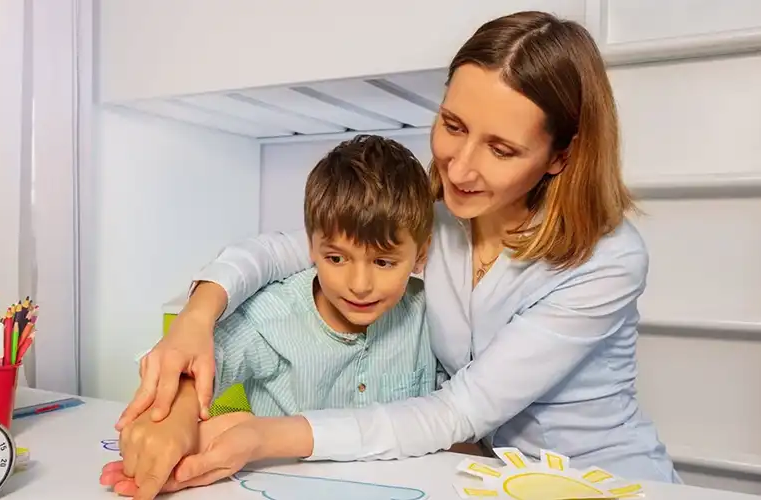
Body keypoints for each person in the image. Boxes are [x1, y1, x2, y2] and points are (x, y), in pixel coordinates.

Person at [115, 9, 681, 496]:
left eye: (502, 149)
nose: (458, 168)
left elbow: (458, 410)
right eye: (452, 125)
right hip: (488, 477)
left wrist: (264, 435)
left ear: (560, 156)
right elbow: (286, 251)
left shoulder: (608, 261)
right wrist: (197, 318)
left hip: (607, 482)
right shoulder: (437, 220)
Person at [102, 134, 458, 498]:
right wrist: (175, 419)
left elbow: (455, 419)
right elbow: (204, 362)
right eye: (336, 258)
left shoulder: (430, 315)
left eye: (383, 262)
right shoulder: (274, 314)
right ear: (310, 247)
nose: (359, 284)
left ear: (421, 254)